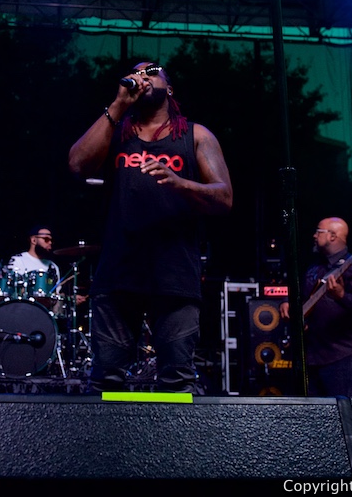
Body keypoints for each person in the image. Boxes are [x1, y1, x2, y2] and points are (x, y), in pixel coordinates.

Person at [68, 61, 233, 394]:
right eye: (138, 71)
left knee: (176, 381)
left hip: (174, 274)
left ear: (169, 89)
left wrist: (180, 183)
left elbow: (224, 197)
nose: (143, 75)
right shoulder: (116, 130)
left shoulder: (195, 135)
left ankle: (174, 446)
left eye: (152, 71)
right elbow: (77, 165)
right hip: (118, 272)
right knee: (106, 380)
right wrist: (117, 105)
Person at [280, 217, 352, 418]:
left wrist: (342, 296)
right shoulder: (314, 268)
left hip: (345, 356)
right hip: (313, 357)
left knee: (347, 421)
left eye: (318, 232)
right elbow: (303, 300)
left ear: (332, 236)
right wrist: (289, 305)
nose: (313, 235)